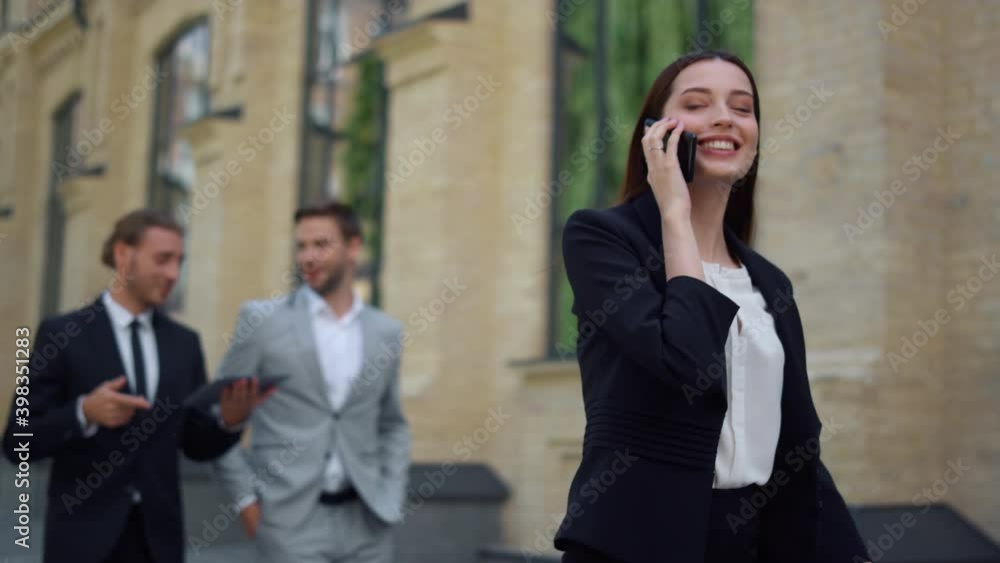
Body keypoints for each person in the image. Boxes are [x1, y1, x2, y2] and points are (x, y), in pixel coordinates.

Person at [552, 51, 869, 562]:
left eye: (742, 108)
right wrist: (675, 212)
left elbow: (796, 447)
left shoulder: (768, 281)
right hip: (638, 542)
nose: (725, 117)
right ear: (657, 131)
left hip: (755, 542)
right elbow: (688, 362)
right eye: (699, 104)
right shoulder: (602, 240)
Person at [2, 209, 268, 563]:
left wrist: (228, 422)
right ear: (123, 255)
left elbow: (194, 443)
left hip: (158, 545)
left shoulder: (184, 343)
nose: (174, 273)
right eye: (163, 259)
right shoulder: (62, 334)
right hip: (81, 545)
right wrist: (83, 412)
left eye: (179, 261)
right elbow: (17, 442)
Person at [212, 201, 410, 563]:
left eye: (321, 245)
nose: (307, 257)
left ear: (353, 247)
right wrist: (246, 501)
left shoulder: (386, 332)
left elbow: (392, 424)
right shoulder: (261, 320)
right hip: (288, 523)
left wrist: (391, 494)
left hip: (368, 522)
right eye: (301, 246)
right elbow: (217, 417)